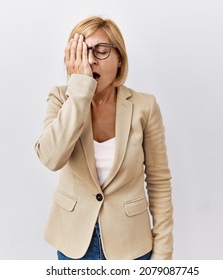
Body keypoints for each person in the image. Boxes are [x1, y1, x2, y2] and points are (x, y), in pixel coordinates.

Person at [34, 16, 173, 260]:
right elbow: (50, 158)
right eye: (82, 51)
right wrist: (79, 91)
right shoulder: (60, 98)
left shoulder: (145, 106)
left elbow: (159, 182)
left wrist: (163, 254)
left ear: (120, 59)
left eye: (100, 51)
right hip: (74, 244)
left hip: (132, 245)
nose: (90, 60)